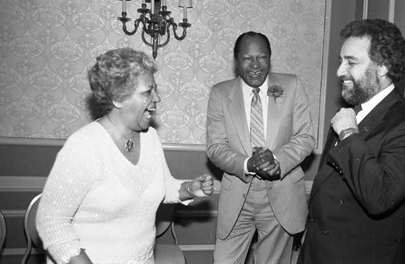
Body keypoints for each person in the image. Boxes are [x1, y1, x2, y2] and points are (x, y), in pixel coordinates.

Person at [36, 48, 214, 264]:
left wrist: (189, 189)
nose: (157, 98)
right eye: (148, 92)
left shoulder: (150, 138)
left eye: (155, 90)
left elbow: (160, 186)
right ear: (119, 98)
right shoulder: (84, 146)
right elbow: (51, 221)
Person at [297, 19, 405, 264]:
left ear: (382, 67)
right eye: (340, 61)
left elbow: (380, 197)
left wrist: (349, 133)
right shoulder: (350, 113)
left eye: (351, 62)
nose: (340, 71)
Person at [206, 31, 315, 264]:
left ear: (270, 58)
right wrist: (248, 164)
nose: (255, 65)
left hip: (281, 194)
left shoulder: (292, 85)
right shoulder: (220, 93)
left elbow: (305, 137)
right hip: (237, 196)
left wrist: (277, 160)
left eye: (262, 57)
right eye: (247, 58)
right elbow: (215, 147)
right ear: (236, 62)